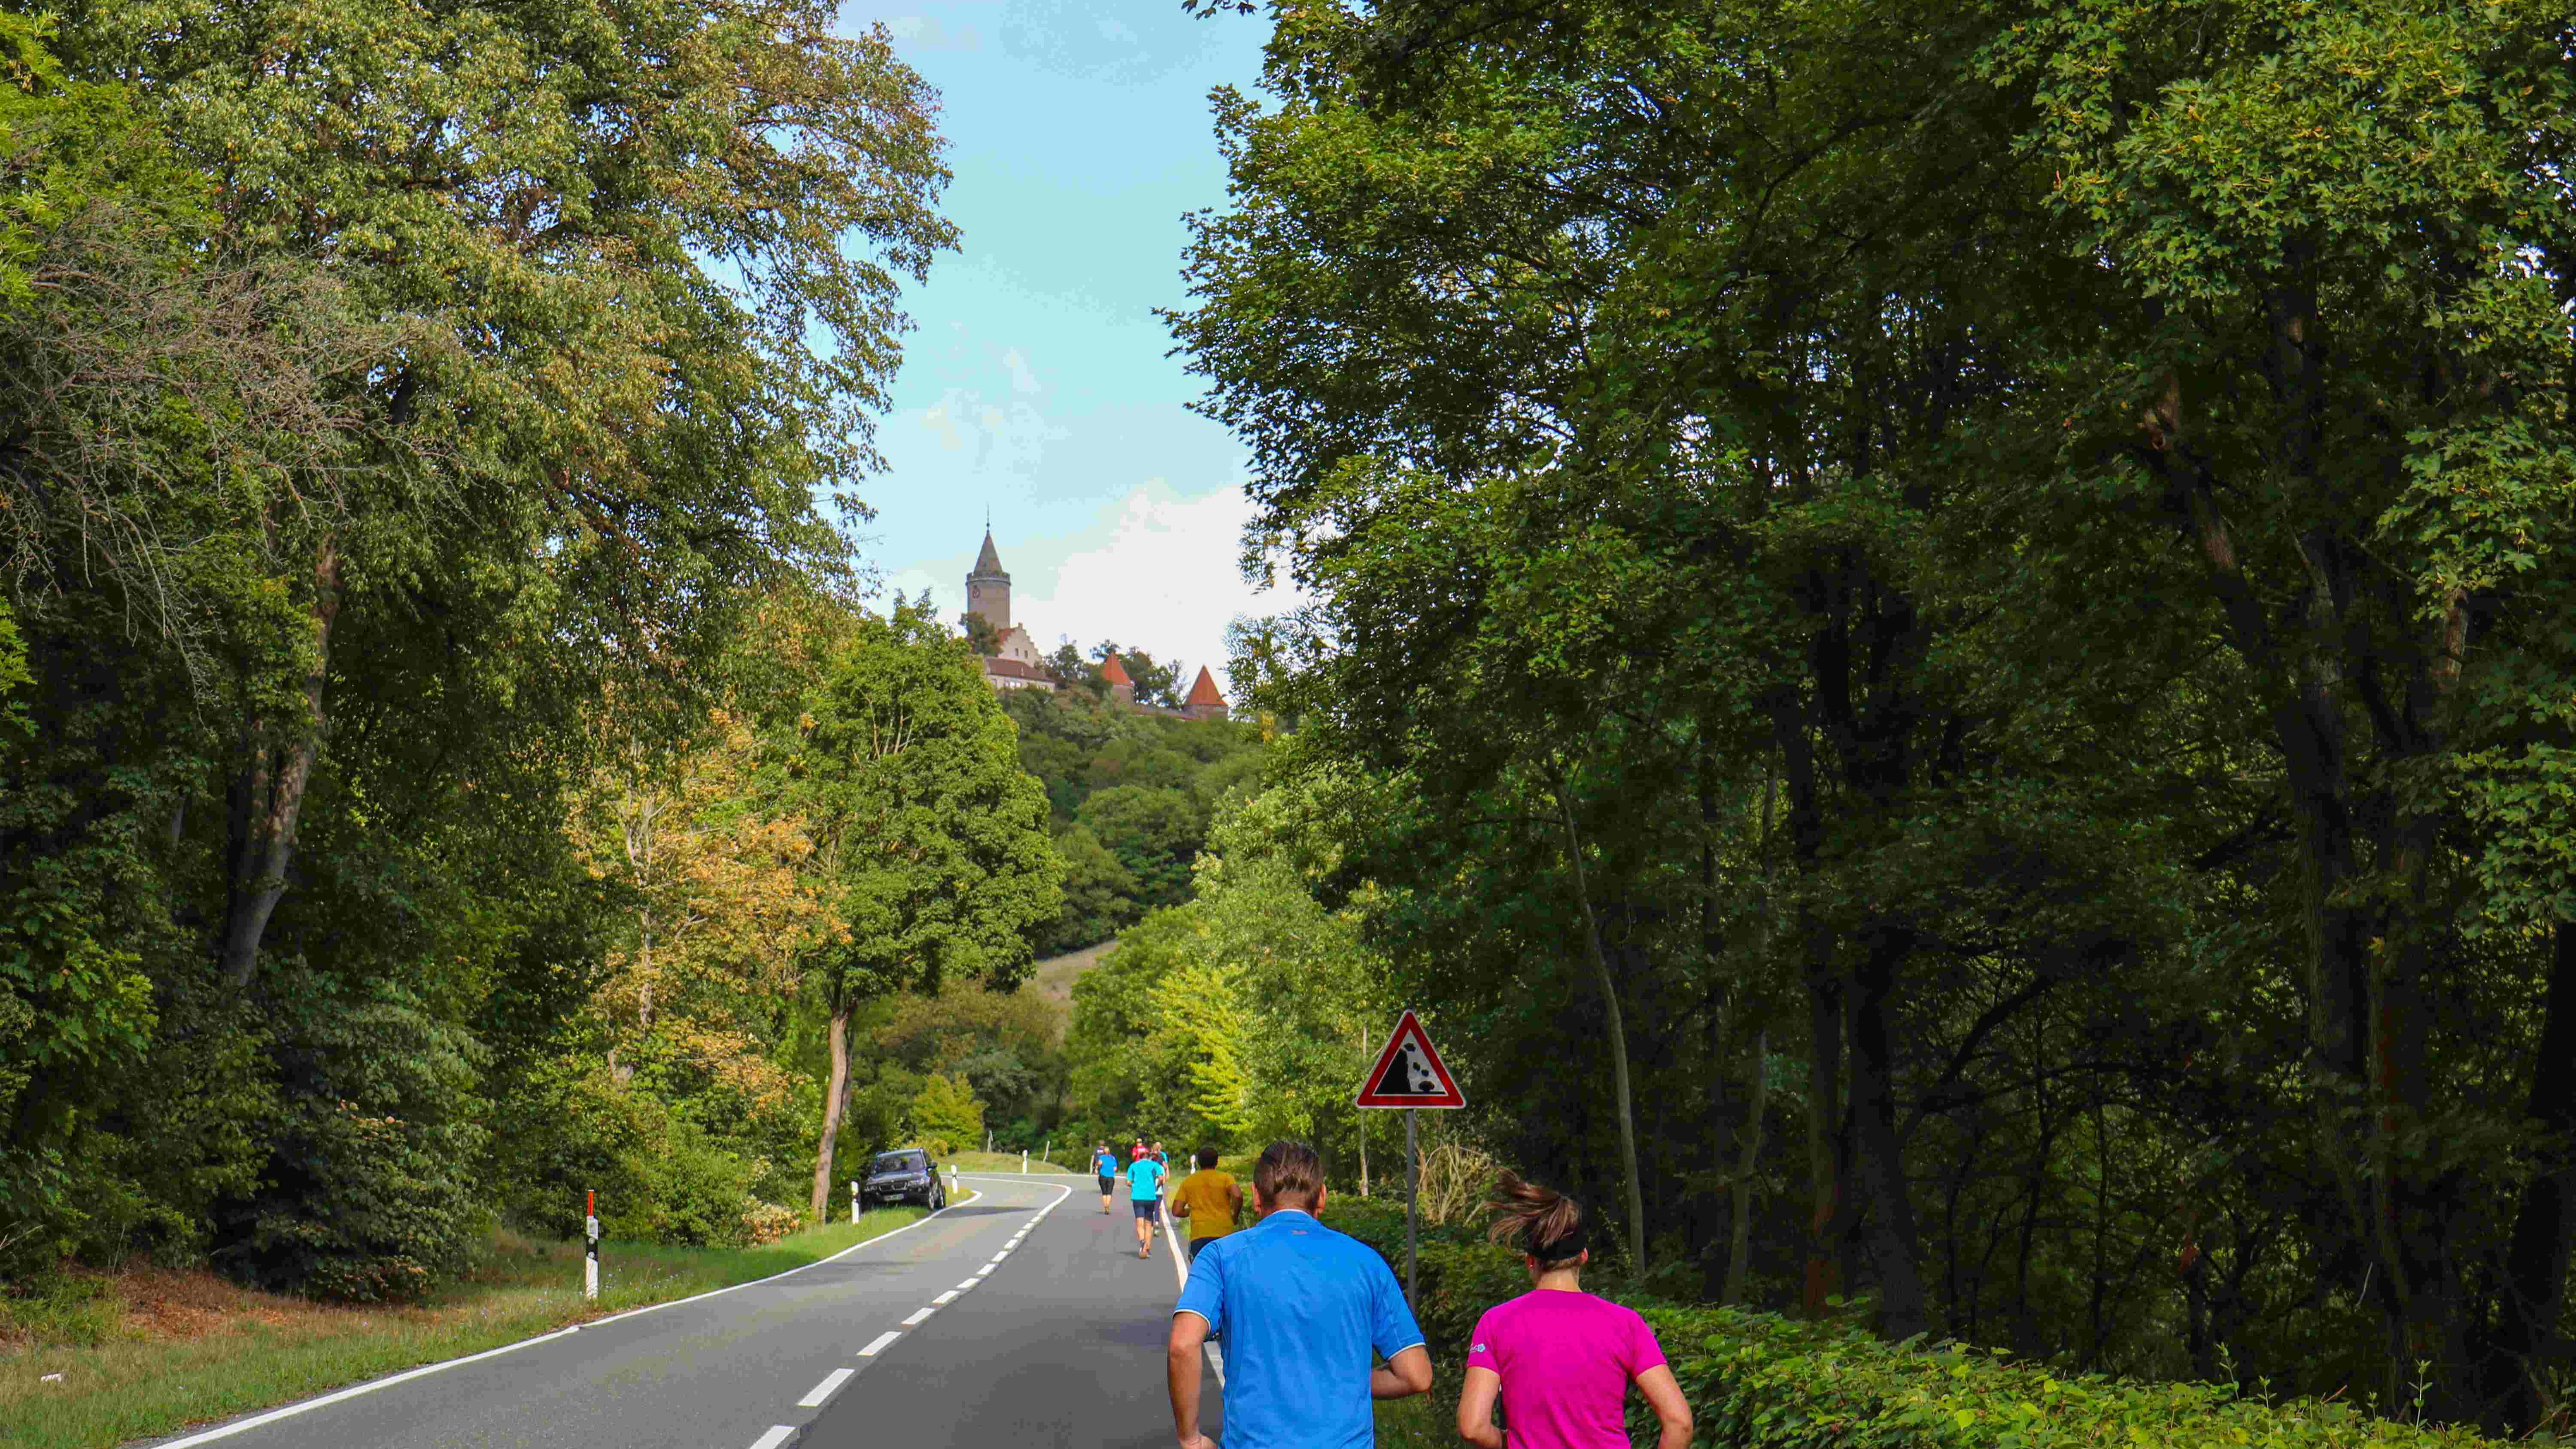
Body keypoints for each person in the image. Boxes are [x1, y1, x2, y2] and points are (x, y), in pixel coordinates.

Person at [1169, 1141, 1432, 1449]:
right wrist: (1343, 1379)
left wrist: (1191, 1439)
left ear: (1256, 1196)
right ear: (1322, 1197)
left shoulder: (1221, 1257)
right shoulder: (1367, 1262)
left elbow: (1183, 1344)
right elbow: (1417, 1375)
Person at [1455, 1171, 1691, 1449]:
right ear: (1583, 1256)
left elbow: (1473, 1426)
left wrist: (1510, 1442)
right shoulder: (1626, 1324)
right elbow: (1680, 1423)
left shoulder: (1496, 1322)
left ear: (1530, 1260)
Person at [1170, 1145, 1242, 1262]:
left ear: (1199, 1163)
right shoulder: (1226, 1178)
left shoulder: (1189, 1181)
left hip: (1200, 1236)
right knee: (1225, 1271)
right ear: (1217, 1162)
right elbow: (1238, 1196)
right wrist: (1235, 1216)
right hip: (1225, 1235)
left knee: (1201, 1271)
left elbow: (1177, 1211)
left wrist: (1194, 1210)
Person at [1128, 1146, 1168, 1259]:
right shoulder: (1155, 1165)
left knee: (1139, 1223)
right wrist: (1157, 1187)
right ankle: (1148, 1248)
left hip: (1138, 1197)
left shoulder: (1134, 1166)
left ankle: (1142, 1242)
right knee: (1148, 1223)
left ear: (1140, 1157)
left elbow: (1128, 1182)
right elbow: (1161, 1178)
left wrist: (1135, 1186)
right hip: (1151, 1197)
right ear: (1149, 1157)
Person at [1093, 1142, 1120, 1215]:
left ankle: (1105, 1207)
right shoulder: (1113, 1158)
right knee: (1109, 1193)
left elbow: (1100, 1164)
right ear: (1109, 1151)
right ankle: (1108, 1206)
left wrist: (1098, 1167)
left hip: (1103, 1176)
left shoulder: (1102, 1157)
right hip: (1111, 1177)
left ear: (1104, 1152)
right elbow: (1115, 1169)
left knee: (1104, 1193)